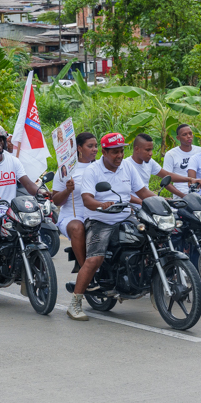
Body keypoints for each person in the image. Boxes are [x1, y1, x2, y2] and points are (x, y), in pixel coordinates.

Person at [68, 132, 157, 321]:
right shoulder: (92, 170)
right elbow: (87, 199)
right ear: (104, 152)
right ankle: (75, 303)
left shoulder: (127, 167)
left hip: (126, 216)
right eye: (115, 152)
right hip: (101, 220)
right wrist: (101, 205)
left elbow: (141, 191)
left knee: (153, 238)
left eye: (121, 151)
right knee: (95, 259)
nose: (119, 156)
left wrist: (160, 201)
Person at [0, 124, 48, 277]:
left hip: (11, 208)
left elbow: (28, 183)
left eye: (0, 140)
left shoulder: (14, 161)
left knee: (33, 222)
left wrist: (41, 191)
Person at [52, 132, 97, 276]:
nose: (95, 149)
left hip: (95, 214)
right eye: (90, 146)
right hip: (72, 217)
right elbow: (56, 200)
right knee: (78, 227)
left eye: (96, 146)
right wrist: (67, 190)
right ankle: (86, 272)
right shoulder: (65, 170)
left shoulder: (100, 167)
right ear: (79, 148)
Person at [128, 133, 197, 192]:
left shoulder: (150, 162)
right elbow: (126, 194)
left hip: (147, 201)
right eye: (147, 150)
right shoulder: (126, 165)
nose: (151, 153)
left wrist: (190, 179)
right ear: (137, 149)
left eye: (151, 150)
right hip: (132, 206)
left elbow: (167, 175)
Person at [161, 124, 201, 196]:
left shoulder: (200, 151)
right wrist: (182, 195)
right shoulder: (171, 154)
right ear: (178, 138)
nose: (189, 136)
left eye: (190, 133)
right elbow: (166, 179)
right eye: (184, 134)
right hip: (182, 193)